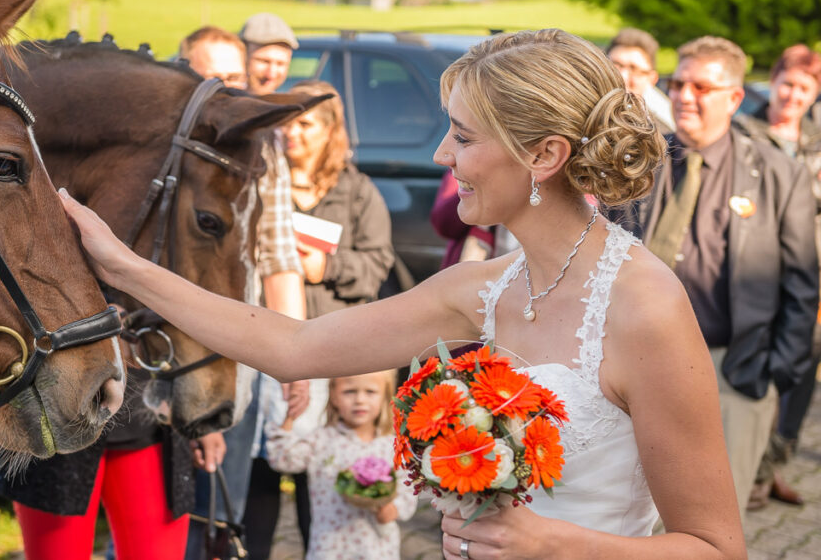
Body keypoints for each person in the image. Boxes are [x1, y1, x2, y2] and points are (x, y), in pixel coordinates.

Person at [59, 28, 747, 558]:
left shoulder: (645, 308)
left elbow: (716, 547)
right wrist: (122, 266)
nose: (443, 156)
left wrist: (555, 545)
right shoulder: (482, 289)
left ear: (544, 155)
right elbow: (294, 345)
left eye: (464, 137)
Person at [613, 36, 818, 517]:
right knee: (636, 521)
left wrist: (770, 375)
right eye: (678, 83)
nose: (685, 95)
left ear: (735, 98)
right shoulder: (640, 161)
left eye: (702, 87)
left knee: (712, 527)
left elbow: (801, 288)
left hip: (733, 371)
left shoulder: (777, 175)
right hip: (635, 366)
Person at [240, 80, 395, 555]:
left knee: (319, 478)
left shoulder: (356, 191)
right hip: (266, 346)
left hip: (331, 351)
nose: (292, 133)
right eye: (285, 122)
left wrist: (324, 267)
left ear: (330, 130)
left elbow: (377, 265)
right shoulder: (262, 185)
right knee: (263, 471)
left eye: (304, 123)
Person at [177, 24, 309, 560]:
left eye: (233, 77)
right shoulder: (160, 148)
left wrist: (297, 355)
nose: (223, 89)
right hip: (164, 354)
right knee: (167, 515)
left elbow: (278, 254)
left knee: (219, 515)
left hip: (240, 353)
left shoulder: (264, 146)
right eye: (209, 77)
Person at [733, 44, 821, 508]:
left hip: (806, 268)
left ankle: (772, 463)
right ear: (775, 81)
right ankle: (747, 471)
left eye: (805, 89)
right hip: (757, 268)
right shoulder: (746, 130)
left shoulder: (816, 140)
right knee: (757, 362)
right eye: (787, 84)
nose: (793, 95)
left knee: (801, 363)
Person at [265, 371, 415, 559]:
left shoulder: (391, 446)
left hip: (376, 548)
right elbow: (282, 460)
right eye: (349, 392)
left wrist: (393, 509)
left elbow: (407, 488)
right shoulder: (321, 439)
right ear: (333, 395)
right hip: (330, 548)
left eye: (370, 392)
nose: (360, 400)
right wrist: (289, 418)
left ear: (385, 395)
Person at [607, 28, 674, 132]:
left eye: (633, 69)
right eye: (615, 65)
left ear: (652, 79)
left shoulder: (660, 132)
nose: (622, 76)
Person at [240, 12, 298, 95]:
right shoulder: (220, 103)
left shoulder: (285, 105)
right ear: (241, 56)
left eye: (280, 64)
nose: (271, 75)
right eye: (264, 61)